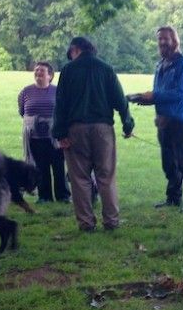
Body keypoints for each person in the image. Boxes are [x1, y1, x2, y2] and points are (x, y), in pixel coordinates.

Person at [52, 37, 134, 231]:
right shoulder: (106, 69)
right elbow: (120, 99)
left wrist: (59, 132)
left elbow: (60, 104)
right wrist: (127, 124)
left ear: (75, 49)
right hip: (103, 128)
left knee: (79, 178)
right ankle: (111, 221)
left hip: (75, 129)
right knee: (106, 176)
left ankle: (86, 223)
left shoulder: (68, 70)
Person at [130, 26, 183, 213]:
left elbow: (180, 93)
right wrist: (143, 99)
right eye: (160, 39)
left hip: (180, 121)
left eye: (166, 39)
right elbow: (159, 94)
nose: (162, 42)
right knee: (168, 163)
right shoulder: (160, 65)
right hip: (164, 121)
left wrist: (153, 96)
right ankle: (173, 198)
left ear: (175, 41)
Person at [18, 62, 71, 204]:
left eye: (42, 71)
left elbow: (64, 111)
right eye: (36, 71)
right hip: (35, 137)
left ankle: (63, 196)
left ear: (50, 75)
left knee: (58, 166)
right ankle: (44, 196)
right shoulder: (26, 91)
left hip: (55, 136)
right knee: (41, 167)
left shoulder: (58, 91)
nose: (38, 73)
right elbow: (22, 112)